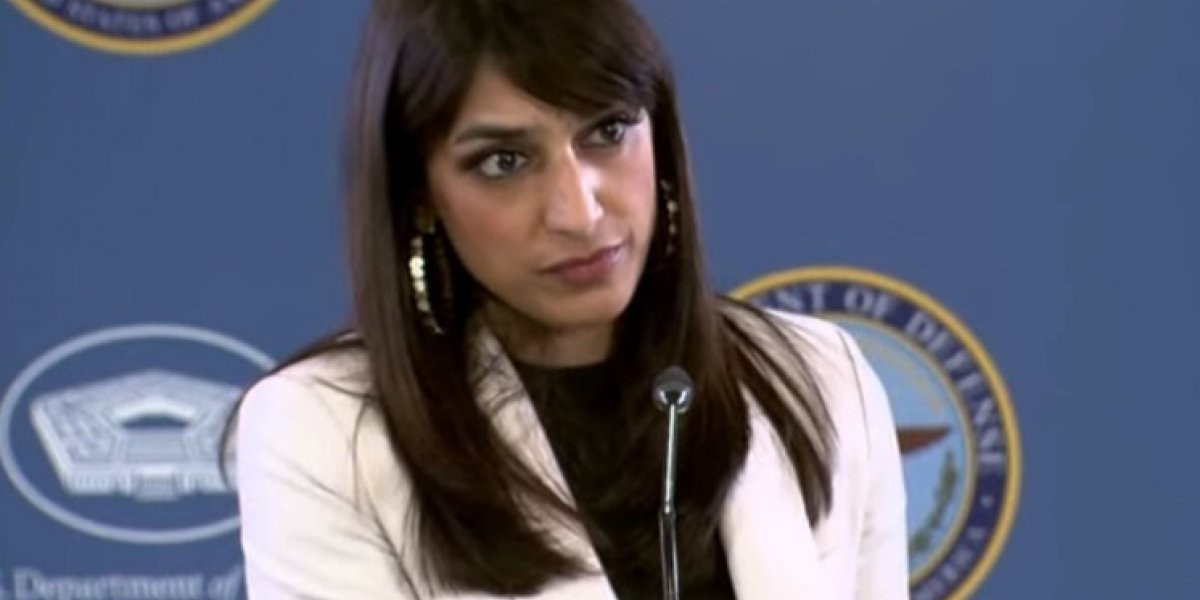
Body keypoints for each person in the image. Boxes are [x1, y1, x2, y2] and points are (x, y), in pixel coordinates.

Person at [230, 0, 908, 598]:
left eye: (608, 131)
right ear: (419, 196)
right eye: (504, 161)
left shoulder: (823, 375)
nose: (580, 213)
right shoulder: (323, 434)